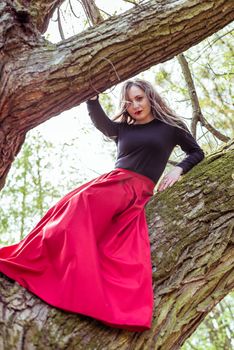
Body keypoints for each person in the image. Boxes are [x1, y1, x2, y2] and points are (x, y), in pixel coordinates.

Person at [0, 79, 204, 332]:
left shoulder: (171, 128)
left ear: (150, 97)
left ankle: (77, 284)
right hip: (112, 185)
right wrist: (92, 98)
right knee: (69, 210)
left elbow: (196, 152)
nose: (134, 105)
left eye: (139, 98)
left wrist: (178, 169)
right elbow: (102, 123)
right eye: (128, 102)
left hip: (136, 191)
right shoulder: (123, 129)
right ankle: (43, 267)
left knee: (97, 230)